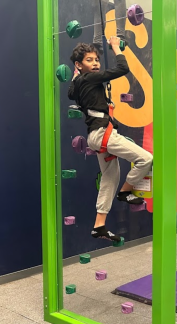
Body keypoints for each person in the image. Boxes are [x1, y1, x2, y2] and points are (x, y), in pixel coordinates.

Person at [68, 38, 153, 242]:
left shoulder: (78, 83)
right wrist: (116, 47)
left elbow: (71, 93)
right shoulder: (89, 79)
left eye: (97, 59)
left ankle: (99, 225)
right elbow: (122, 68)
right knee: (146, 158)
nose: (96, 63)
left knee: (109, 178)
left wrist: (75, 74)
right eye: (90, 60)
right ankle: (125, 193)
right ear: (80, 65)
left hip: (97, 136)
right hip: (103, 134)